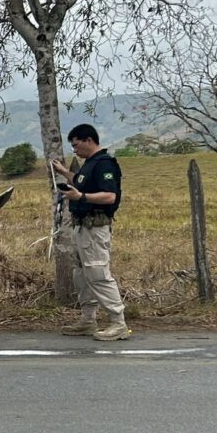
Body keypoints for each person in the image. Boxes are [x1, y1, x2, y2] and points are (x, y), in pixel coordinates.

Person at [52, 123, 130, 341]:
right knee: (82, 275)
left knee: (98, 273)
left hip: (94, 228)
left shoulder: (104, 164)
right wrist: (64, 173)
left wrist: (81, 197)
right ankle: (88, 319)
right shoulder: (88, 165)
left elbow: (109, 196)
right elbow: (80, 182)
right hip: (81, 227)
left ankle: (118, 323)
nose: (75, 150)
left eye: (76, 145)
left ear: (89, 140)